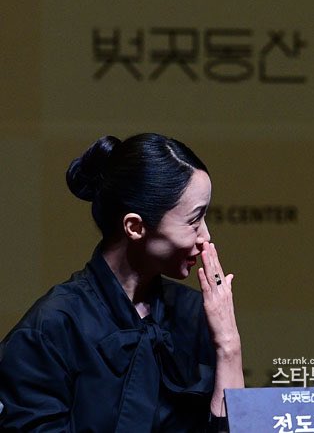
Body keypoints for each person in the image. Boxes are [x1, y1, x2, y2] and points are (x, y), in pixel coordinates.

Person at [0, 133, 244, 431]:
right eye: (194, 221)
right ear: (135, 227)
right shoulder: (52, 329)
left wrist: (228, 345)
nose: (205, 236)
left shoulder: (194, 313)